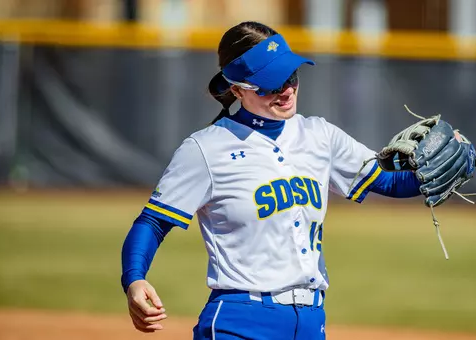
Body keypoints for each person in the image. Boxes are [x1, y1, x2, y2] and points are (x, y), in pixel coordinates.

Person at [121, 21, 425, 339]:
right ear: (237, 89)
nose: (286, 90)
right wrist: (134, 278)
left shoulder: (320, 135)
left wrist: (440, 172)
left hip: (310, 321)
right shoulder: (205, 149)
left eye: (290, 76)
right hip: (239, 322)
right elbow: (153, 222)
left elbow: (388, 182)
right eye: (270, 84)